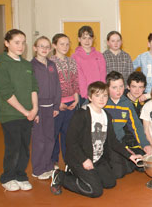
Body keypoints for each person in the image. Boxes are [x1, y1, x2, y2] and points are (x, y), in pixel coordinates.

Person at [50, 81, 141, 198]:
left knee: (110, 183)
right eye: (97, 95)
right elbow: (71, 142)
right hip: (80, 158)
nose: (101, 99)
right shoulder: (81, 114)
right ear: (89, 97)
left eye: (104, 95)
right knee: (94, 190)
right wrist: (84, 160)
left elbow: (112, 141)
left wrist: (130, 156)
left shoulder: (106, 115)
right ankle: (61, 176)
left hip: (97, 158)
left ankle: (81, 174)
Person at [0, 29, 38, 191]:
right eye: (16, 42)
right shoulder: (2, 64)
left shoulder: (26, 65)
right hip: (11, 114)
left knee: (24, 147)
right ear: (7, 43)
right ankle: (7, 177)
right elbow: (6, 92)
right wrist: (25, 112)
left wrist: (34, 109)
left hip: (28, 113)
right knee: (13, 146)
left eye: (23, 42)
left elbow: (34, 87)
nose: (21, 46)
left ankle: (20, 175)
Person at [104, 71, 150, 178]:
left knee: (126, 170)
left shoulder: (127, 104)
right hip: (103, 143)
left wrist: (145, 144)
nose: (118, 90)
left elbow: (136, 126)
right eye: (114, 87)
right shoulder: (102, 100)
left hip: (118, 144)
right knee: (116, 173)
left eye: (120, 87)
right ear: (107, 88)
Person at [30, 36, 62, 180]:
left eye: (47, 47)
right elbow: (30, 89)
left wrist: (56, 105)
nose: (44, 49)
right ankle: (38, 169)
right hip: (38, 107)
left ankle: (48, 165)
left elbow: (56, 85)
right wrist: (33, 109)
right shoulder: (31, 66)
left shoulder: (51, 65)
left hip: (51, 107)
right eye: (41, 46)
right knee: (39, 140)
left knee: (50, 138)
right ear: (35, 48)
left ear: (50, 49)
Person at [50, 33, 79, 170]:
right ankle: (54, 161)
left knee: (68, 134)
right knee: (55, 133)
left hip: (71, 103)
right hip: (58, 104)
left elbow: (75, 80)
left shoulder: (71, 61)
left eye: (67, 44)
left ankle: (69, 161)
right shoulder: (50, 63)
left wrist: (76, 96)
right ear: (54, 45)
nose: (65, 47)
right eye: (62, 44)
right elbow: (49, 85)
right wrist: (56, 102)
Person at [72, 25, 106, 105]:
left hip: (99, 94)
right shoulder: (75, 57)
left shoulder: (99, 55)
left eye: (89, 38)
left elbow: (103, 74)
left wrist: (101, 92)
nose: (87, 41)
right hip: (84, 96)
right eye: (84, 38)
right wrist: (87, 95)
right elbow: (80, 78)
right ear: (79, 39)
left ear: (93, 39)